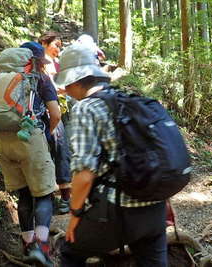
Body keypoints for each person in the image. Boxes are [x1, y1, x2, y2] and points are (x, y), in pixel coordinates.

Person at [53, 43, 168, 267]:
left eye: (67, 83)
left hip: (119, 211)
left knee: (70, 252)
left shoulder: (86, 108)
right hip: (155, 207)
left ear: (77, 80)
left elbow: (84, 173)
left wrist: (75, 216)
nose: (65, 89)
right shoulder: (125, 100)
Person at [0, 41, 60, 267]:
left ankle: (27, 245)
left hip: (1, 141)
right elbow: (55, 114)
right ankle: (42, 248)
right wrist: (46, 134)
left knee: (24, 194)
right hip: (29, 138)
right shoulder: (40, 79)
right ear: (32, 62)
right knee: (44, 194)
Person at [39, 31, 72, 214]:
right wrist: (69, 88)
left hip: (55, 112)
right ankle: (63, 198)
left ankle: (53, 197)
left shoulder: (51, 62)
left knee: (56, 153)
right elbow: (51, 88)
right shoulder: (40, 63)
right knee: (60, 152)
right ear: (44, 42)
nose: (58, 49)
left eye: (60, 46)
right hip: (48, 113)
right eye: (56, 45)